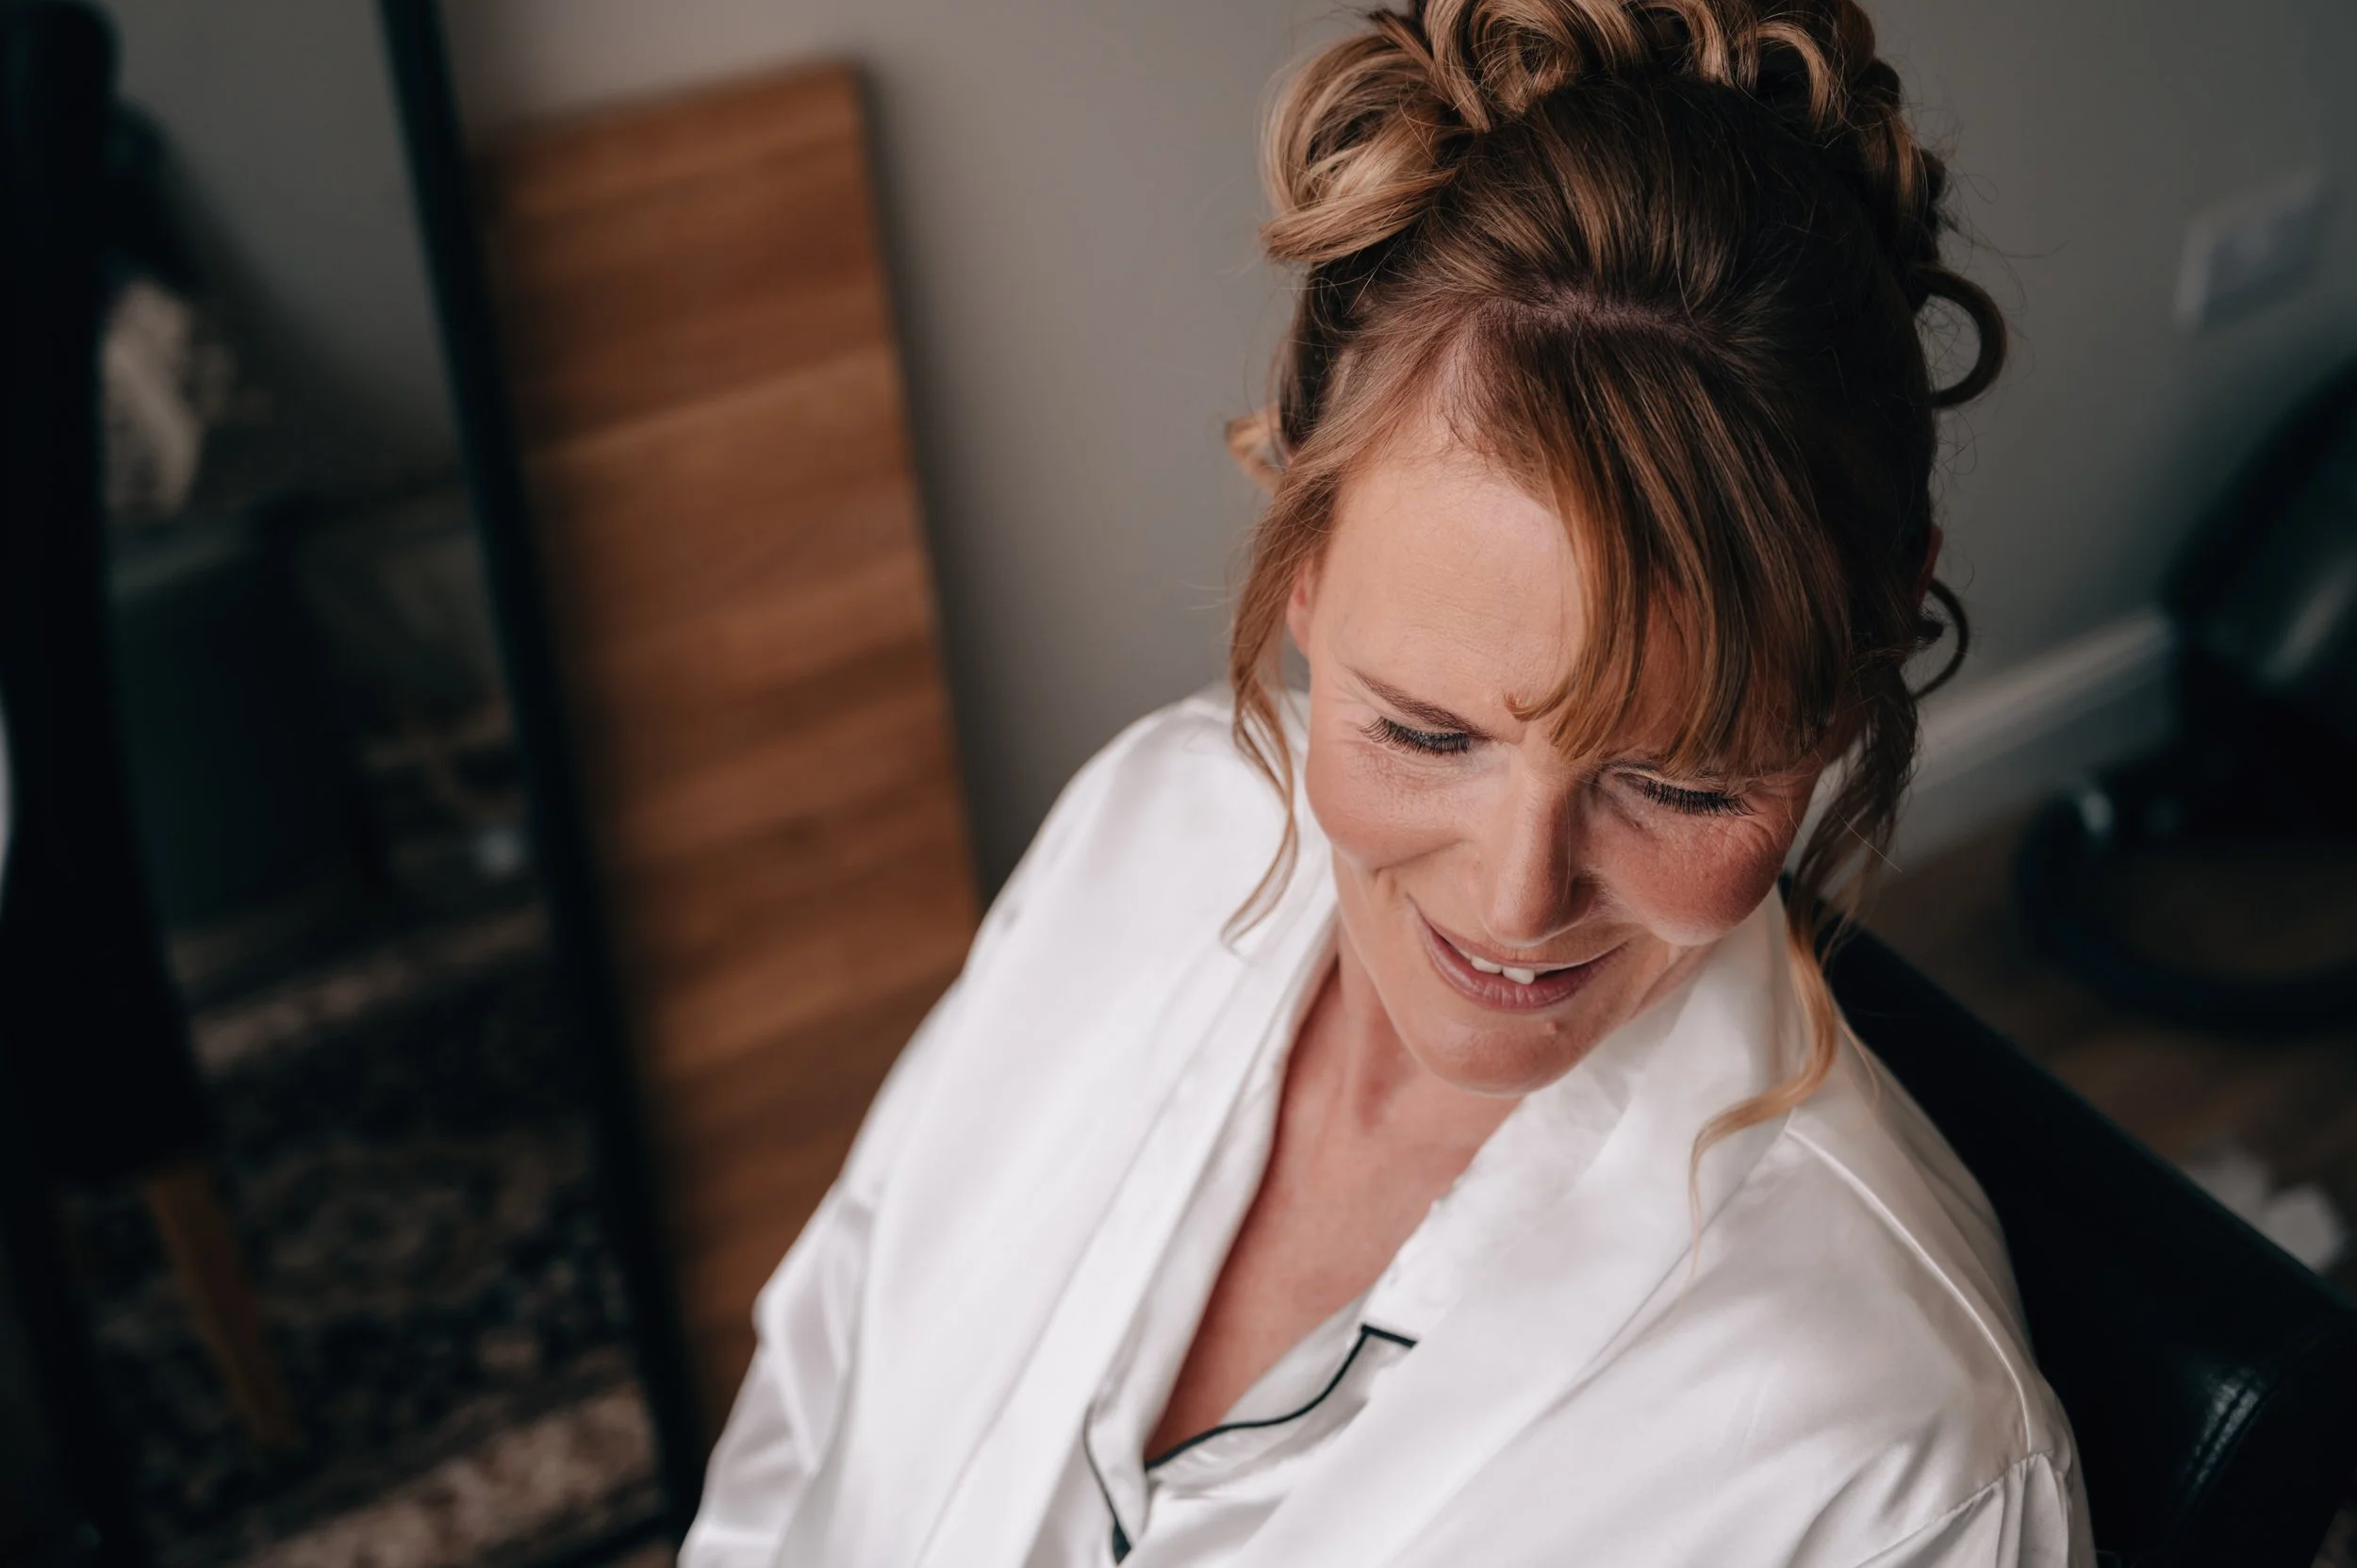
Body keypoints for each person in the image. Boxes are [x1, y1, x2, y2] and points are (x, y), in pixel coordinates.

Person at [681, 1, 2091, 1563]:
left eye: (1683, 785)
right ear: (1298, 545)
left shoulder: (1899, 1464)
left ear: (1871, 646)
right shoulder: (1148, 821)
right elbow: (821, 1396)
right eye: (1425, 731)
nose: (1513, 899)